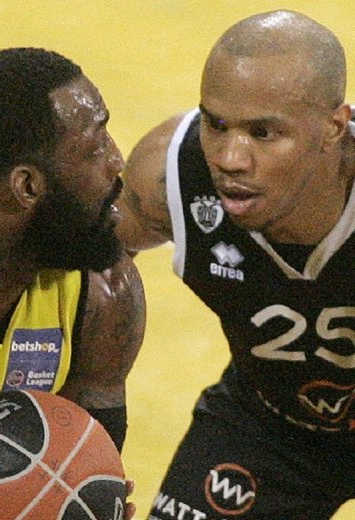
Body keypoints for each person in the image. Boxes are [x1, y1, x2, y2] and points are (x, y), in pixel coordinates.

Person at [116, 9, 355, 519]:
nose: (230, 158)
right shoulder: (170, 175)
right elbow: (87, 267)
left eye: (263, 133)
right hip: (267, 423)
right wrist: (92, 404)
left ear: (334, 127)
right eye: (216, 124)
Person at [0, 47, 145, 514]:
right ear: (27, 187)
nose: (118, 161)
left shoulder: (102, 293)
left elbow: (76, 479)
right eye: (96, 147)